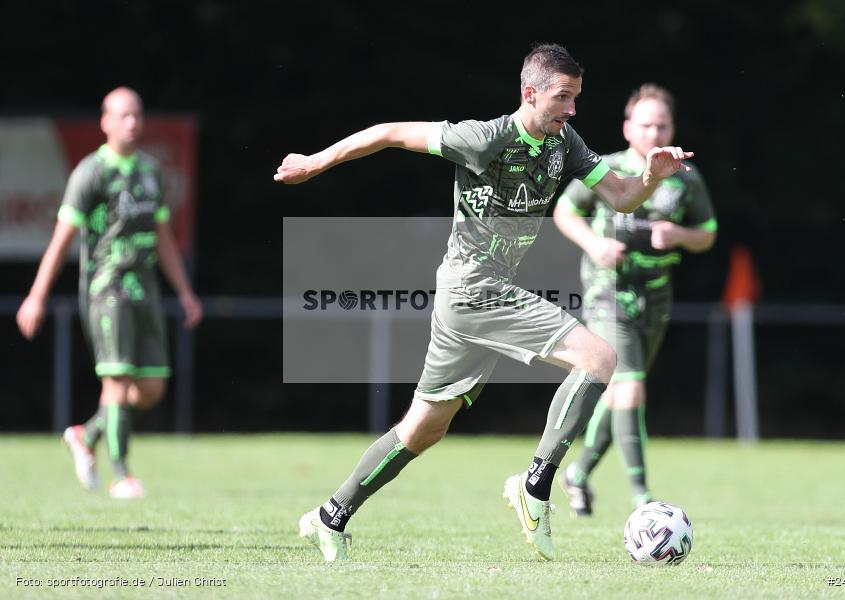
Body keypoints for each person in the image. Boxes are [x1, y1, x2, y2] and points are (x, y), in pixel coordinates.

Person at [275, 44, 692, 562]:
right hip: (476, 288)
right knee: (600, 358)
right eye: (563, 98)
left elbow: (623, 195)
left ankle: (329, 515)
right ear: (530, 94)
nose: (572, 109)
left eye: (577, 98)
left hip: (465, 299)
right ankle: (535, 486)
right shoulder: (483, 137)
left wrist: (653, 174)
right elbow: (389, 133)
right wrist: (317, 161)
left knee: (423, 428)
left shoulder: (565, 144)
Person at [16, 87, 203, 499]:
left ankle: (87, 434)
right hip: (107, 289)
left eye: (137, 114)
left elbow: (163, 236)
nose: (131, 122)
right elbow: (62, 238)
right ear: (105, 122)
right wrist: (36, 295)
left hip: (146, 289)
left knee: (151, 388)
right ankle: (122, 474)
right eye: (123, 115)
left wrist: (185, 292)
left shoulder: (151, 172)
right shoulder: (91, 172)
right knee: (117, 382)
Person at [554, 83, 716, 516]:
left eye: (662, 125)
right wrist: (595, 244)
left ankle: (579, 472)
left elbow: (708, 234)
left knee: (621, 395)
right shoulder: (607, 170)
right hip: (608, 293)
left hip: (655, 298)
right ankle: (643, 497)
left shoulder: (686, 177)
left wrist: (681, 236)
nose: (654, 133)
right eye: (646, 125)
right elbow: (564, 212)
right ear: (628, 128)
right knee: (630, 387)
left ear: (672, 128)